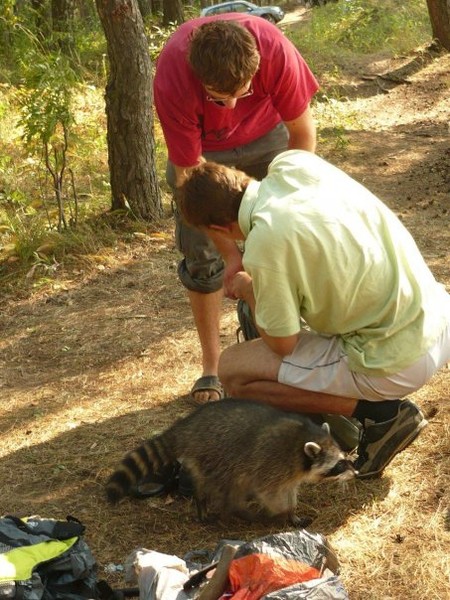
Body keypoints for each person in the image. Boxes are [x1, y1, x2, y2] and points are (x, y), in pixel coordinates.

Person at [178, 150, 450, 478]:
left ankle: (382, 414)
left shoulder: (267, 242)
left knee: (234, 370)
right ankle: (363, 408)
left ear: (219, 226)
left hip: (397, 359)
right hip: (436, 319)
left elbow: (283, 344)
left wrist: (251, 289)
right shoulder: (293, 165)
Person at [153, 15, 319, 404]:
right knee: (201, 256)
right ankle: (212, 367)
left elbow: (302, 136)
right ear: (199, 77)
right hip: (203, 153)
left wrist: (281, 208)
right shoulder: (174, 75)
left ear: (256, 67)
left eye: (239, 93)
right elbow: (190, 180)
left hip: (271, 137)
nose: (228, 106)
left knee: (292, 237)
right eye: (216, 97)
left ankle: (303, 346)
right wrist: (232, 256)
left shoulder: (275, 50)